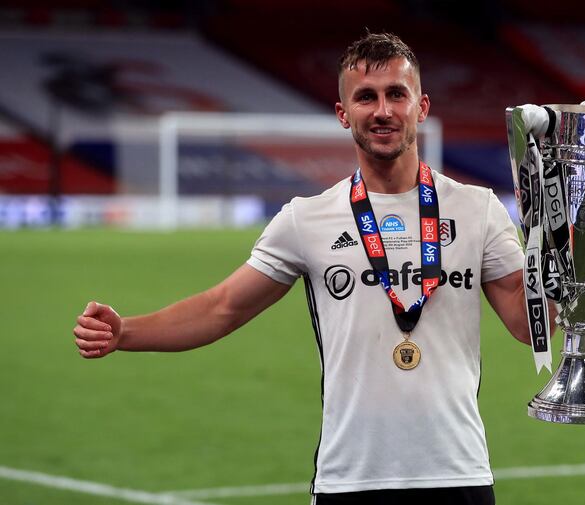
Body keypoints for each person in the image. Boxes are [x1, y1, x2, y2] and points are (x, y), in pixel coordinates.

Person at [74, 32, 544, 505]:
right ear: (344, 114)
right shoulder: (307, 218)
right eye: (366, 97)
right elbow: (223, 308)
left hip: (457, 474)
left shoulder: (477, 209)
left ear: (420, 107)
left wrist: (578, 272)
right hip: (350, 479)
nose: (382, 110)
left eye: (396, 94)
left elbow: (530, 326)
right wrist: (126, 332)